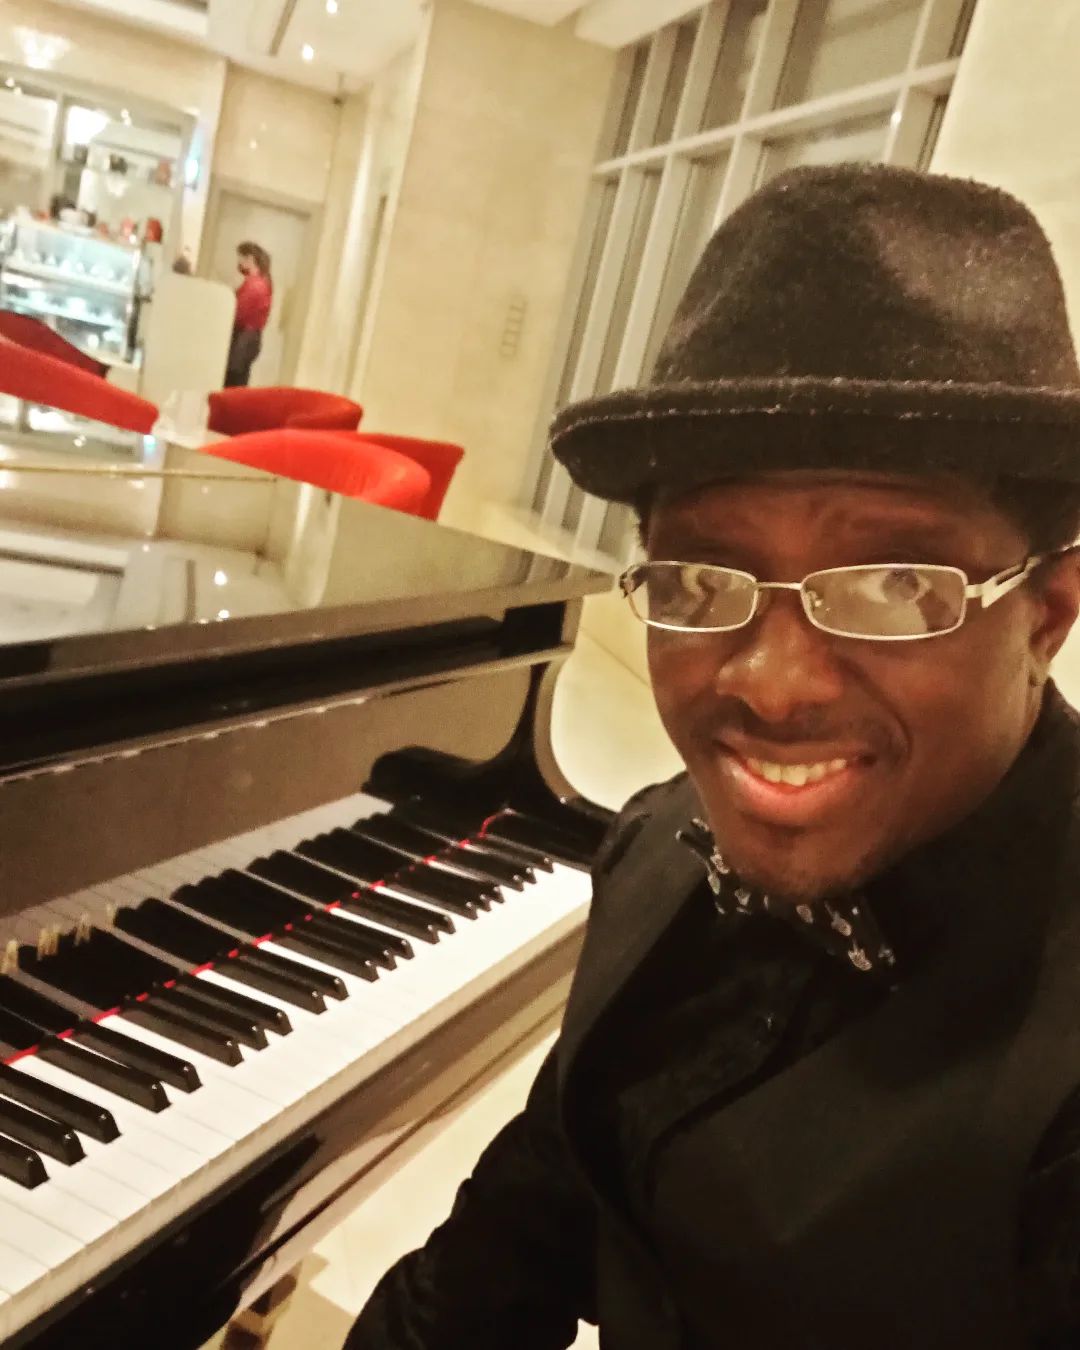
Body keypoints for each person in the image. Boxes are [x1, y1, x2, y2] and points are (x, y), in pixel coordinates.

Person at [343, 165, 1080, 1349]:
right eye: (702, 579)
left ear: (1046, 614)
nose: (773, 683)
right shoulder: (655, 845)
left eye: (896, 585)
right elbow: (519, 1230)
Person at [225, 239, 272, 387]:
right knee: (238, 381)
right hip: (250, 339)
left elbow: (239, 313)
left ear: (249, 259)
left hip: (243, 338)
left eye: (240, 258)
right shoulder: (263, 282)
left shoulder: (254, 285)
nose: (238, 263)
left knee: (232, 381)